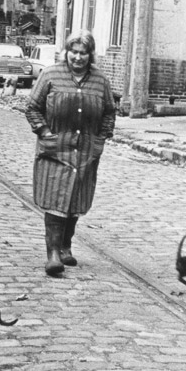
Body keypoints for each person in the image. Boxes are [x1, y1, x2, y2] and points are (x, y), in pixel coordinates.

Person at [25, 30, 116, 276]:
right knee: (55, 198)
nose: (77, 57)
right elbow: (32, 107)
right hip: (56, 147)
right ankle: (53, 254)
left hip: (85, 150)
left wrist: (101, 138)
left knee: (75, 199)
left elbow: (109, 111)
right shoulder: (51, 74)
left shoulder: (100, 80)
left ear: (90, 55)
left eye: (83, 53)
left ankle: (66, 246)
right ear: (67, 52)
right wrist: (44, 131)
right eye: (73, 52)